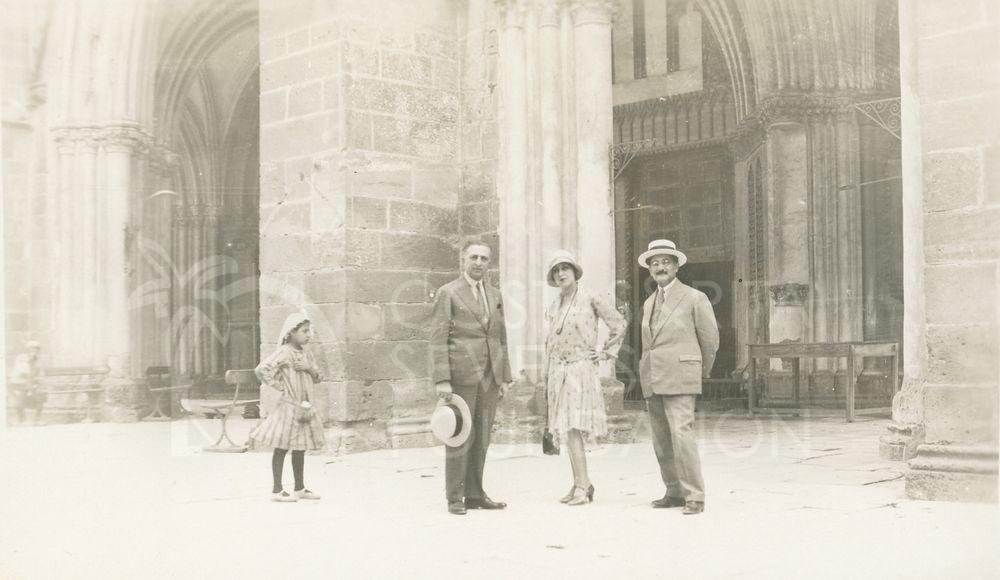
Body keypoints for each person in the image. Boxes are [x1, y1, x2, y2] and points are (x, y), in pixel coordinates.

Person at [430, 240, 513, 515]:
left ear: (489, 263)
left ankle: (475, 494)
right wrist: (442, 379)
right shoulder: (448, 293)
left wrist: (504, 376)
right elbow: (438, 338)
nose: (479, 263)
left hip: (490, 375)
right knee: (459, 435)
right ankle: (455, 496)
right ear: (464, 260)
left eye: (484, 259)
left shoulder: (495, 294)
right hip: (461, 375)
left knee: (483, 436)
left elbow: (500, 337)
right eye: (474, 257)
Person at [637, 239, 719, 515]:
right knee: (661, 438)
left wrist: (699, 369)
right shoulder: (649, 302)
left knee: (681, 435)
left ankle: (694, 495)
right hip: (654, 376)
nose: (660, 267)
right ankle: (673, 491)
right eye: (655, 263)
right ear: (650, 269)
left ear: (676, 266)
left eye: (665, 262)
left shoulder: (695, 297)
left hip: (681, 375)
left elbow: (710, 340)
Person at [543, 250, 627, 506]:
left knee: (574, 427)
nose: (561, 274)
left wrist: (604, 352)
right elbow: (552, 339)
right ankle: (582, 483)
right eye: (556, 270)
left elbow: (619, 323)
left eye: (565, 268)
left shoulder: (591, 296)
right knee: (567, 430)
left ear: (574, 271)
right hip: (559, 371)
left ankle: (583, 485)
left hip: (580, 369)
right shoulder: (554, 305)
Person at [249, 312, 325, 502]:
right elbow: (262, 369)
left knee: (300, 447)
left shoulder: (307, 354)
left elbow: (318, 378)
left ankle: (299, 487)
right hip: (289, 406)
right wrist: (280, 386)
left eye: (309, 331)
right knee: (282, 446)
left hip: (304, 407)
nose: (308, 335)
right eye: (304, 331)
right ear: (292, 333)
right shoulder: (284, 352)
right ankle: (277, 490)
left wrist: (307, 367)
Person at [8, 341, 45, 425]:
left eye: (36, 349)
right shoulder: (21, 358)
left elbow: (41, 374)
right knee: (20, 397)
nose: (34, 351)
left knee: (41, 395)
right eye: (32, 349)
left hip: (32, 384)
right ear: (28, 350)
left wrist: (38, 381)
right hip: (19, 383)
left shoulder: (38, 361)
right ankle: (21, 420)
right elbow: (22, 372)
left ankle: (37, 419)